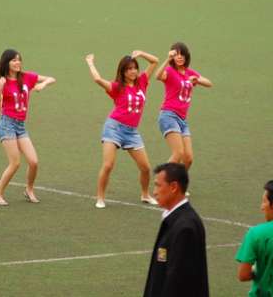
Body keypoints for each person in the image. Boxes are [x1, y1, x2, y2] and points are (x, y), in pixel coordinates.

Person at [85, 50, 160, 209]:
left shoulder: (142, 82)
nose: (133, 71)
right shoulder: (117, 87)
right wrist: (90, 62)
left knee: (145, 168)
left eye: (135, 68)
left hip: (132, 132)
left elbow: (155, 61)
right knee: (108, 165)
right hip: (114, 128)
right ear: (123, 71)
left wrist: (141, 54)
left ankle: (145, 195)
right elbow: (98, 79)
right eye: (129, 69)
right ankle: (100, 197)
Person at [0, 49, 55, 206]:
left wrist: (43, 84)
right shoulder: (3, 82)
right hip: (6, 124)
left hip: (20, 125)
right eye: (14, 60)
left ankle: (29, 190)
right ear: (6, 63)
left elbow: (52, 78)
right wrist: (0, 90)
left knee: (34, 162)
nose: (17, 62)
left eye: (19, 59)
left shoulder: (26, 77)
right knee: (15, 163)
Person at [143, 162, 209, 297]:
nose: (154, 192)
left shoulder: (185, 227)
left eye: (158, 185)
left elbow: (179, 281)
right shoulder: (176, 219)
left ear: (173, 187)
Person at [155, 42, 212, 172]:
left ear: (186, 57)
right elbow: (158, 76)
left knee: (188, 158)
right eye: (176, 54)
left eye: (182, 54)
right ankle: (160, 183)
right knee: (178, 153)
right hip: (169, 115)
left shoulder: (189, 72)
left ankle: (178, 186)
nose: (179, 57)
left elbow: (209, 83)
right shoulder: (169, 71)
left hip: (182, 119)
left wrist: (197, 80)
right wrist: (167, 59)